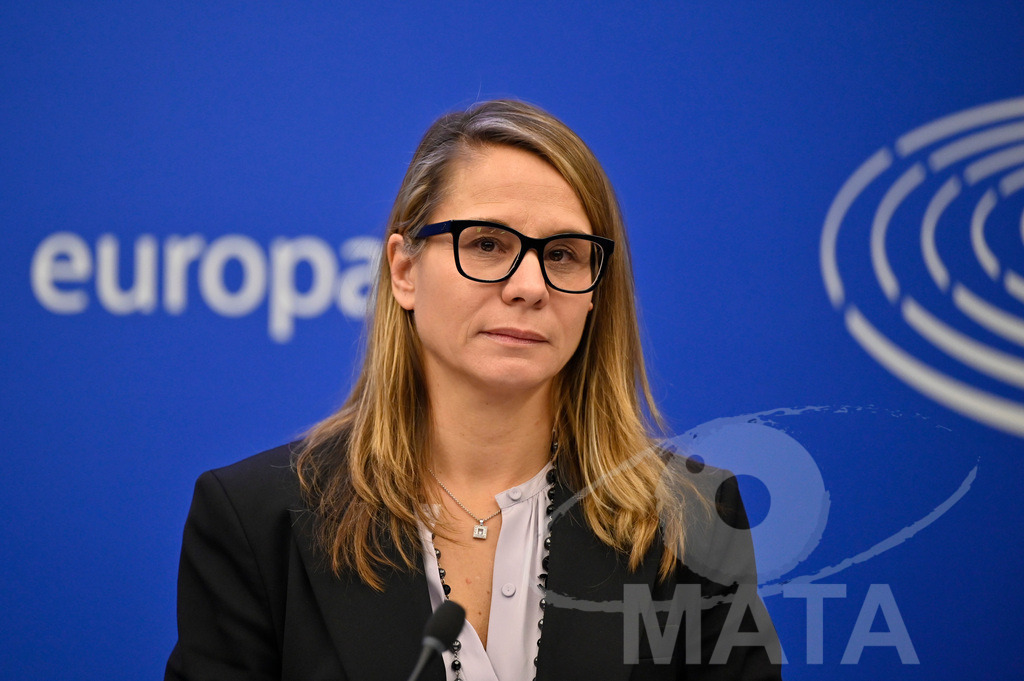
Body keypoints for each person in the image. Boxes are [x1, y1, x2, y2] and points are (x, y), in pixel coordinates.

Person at [165, 99, 783, 681]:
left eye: (563, 255)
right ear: (405, 270)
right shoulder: (256, 519)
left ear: (595, 291)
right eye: (488, 245)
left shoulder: (694, 521)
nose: (529, 286)